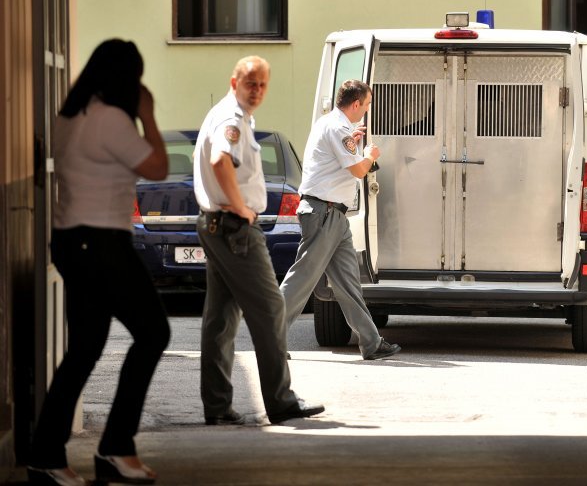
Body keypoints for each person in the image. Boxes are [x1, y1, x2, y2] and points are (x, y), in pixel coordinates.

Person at [27, 39, 170, 486]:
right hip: (101, 243)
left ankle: (47, 456)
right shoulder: (109, 119)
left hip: (73, 242)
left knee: (85, 349)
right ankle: (115, 447)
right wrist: (147, 114)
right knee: (153, 332)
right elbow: (159, 168)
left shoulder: (70, 116)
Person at [194, 55, 324, 427]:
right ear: (234, 82)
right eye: (251, 83)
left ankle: (217, 406)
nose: (258, 91)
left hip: (217, 225)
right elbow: (221, 161)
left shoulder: (229, 114)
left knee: (219, 319)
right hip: (234, 228)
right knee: (270, 310)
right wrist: (241, 209)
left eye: (264, 84)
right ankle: (280, 402)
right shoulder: (232, 119)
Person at [280, 79, 400, 360]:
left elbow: (339, 160)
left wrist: (354, 145)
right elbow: (359, 171)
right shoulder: (338, 128)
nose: (367, 109)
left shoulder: (333, 125)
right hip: (325, 213)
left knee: (348, 283)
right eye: (367, 104)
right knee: (302, 279)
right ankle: (269, 338)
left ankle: (371, 343)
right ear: (356, 104)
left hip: (334, 215)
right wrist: (369, 155)